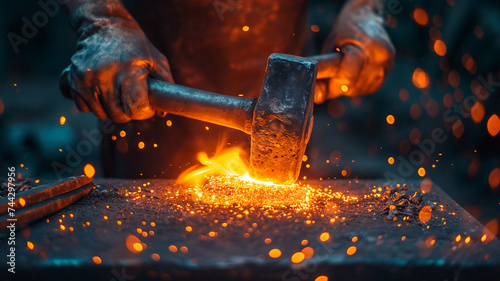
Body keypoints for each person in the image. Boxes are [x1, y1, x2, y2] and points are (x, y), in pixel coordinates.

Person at [59, 0, 395, 178]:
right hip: (148, 76)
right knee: (145, 244)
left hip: (284, 47)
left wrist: (364, 7)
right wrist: (102, 20)